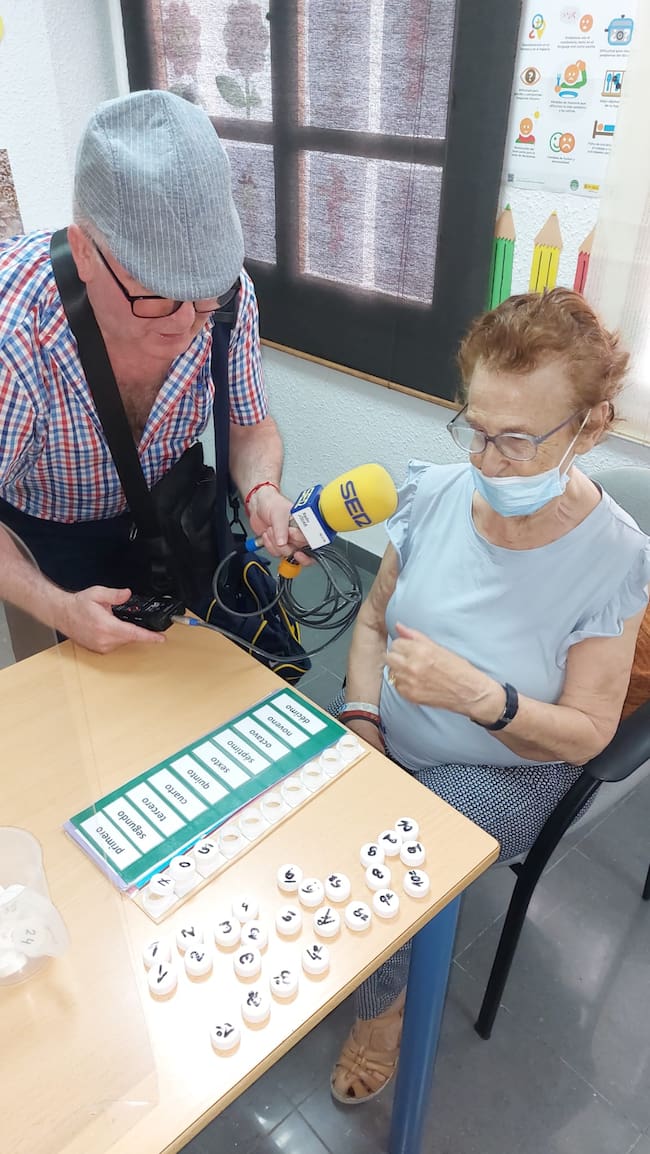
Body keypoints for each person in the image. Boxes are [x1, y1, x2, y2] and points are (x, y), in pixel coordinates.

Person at [330, 287, 650, 1103]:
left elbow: (585, 734)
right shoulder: (436, 493)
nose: (486, 461)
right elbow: (370, 623)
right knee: (298, 815)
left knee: (400, 855)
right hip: (392, 732)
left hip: (516, 765)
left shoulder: (614, 559)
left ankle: (382, 1013)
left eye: (517, 441)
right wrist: (363, 720)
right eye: (476, 429)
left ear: (593, 425)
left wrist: (482, 697)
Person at [0, 90, 304, 656]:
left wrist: (262, 489)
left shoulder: (227, 297)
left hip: (169, 512)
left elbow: (250, 427)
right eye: (158, 297)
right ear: (84, 253)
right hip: (51, 535)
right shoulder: (15, 335)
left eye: (204, 295)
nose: (188, 323)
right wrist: (57, 605)